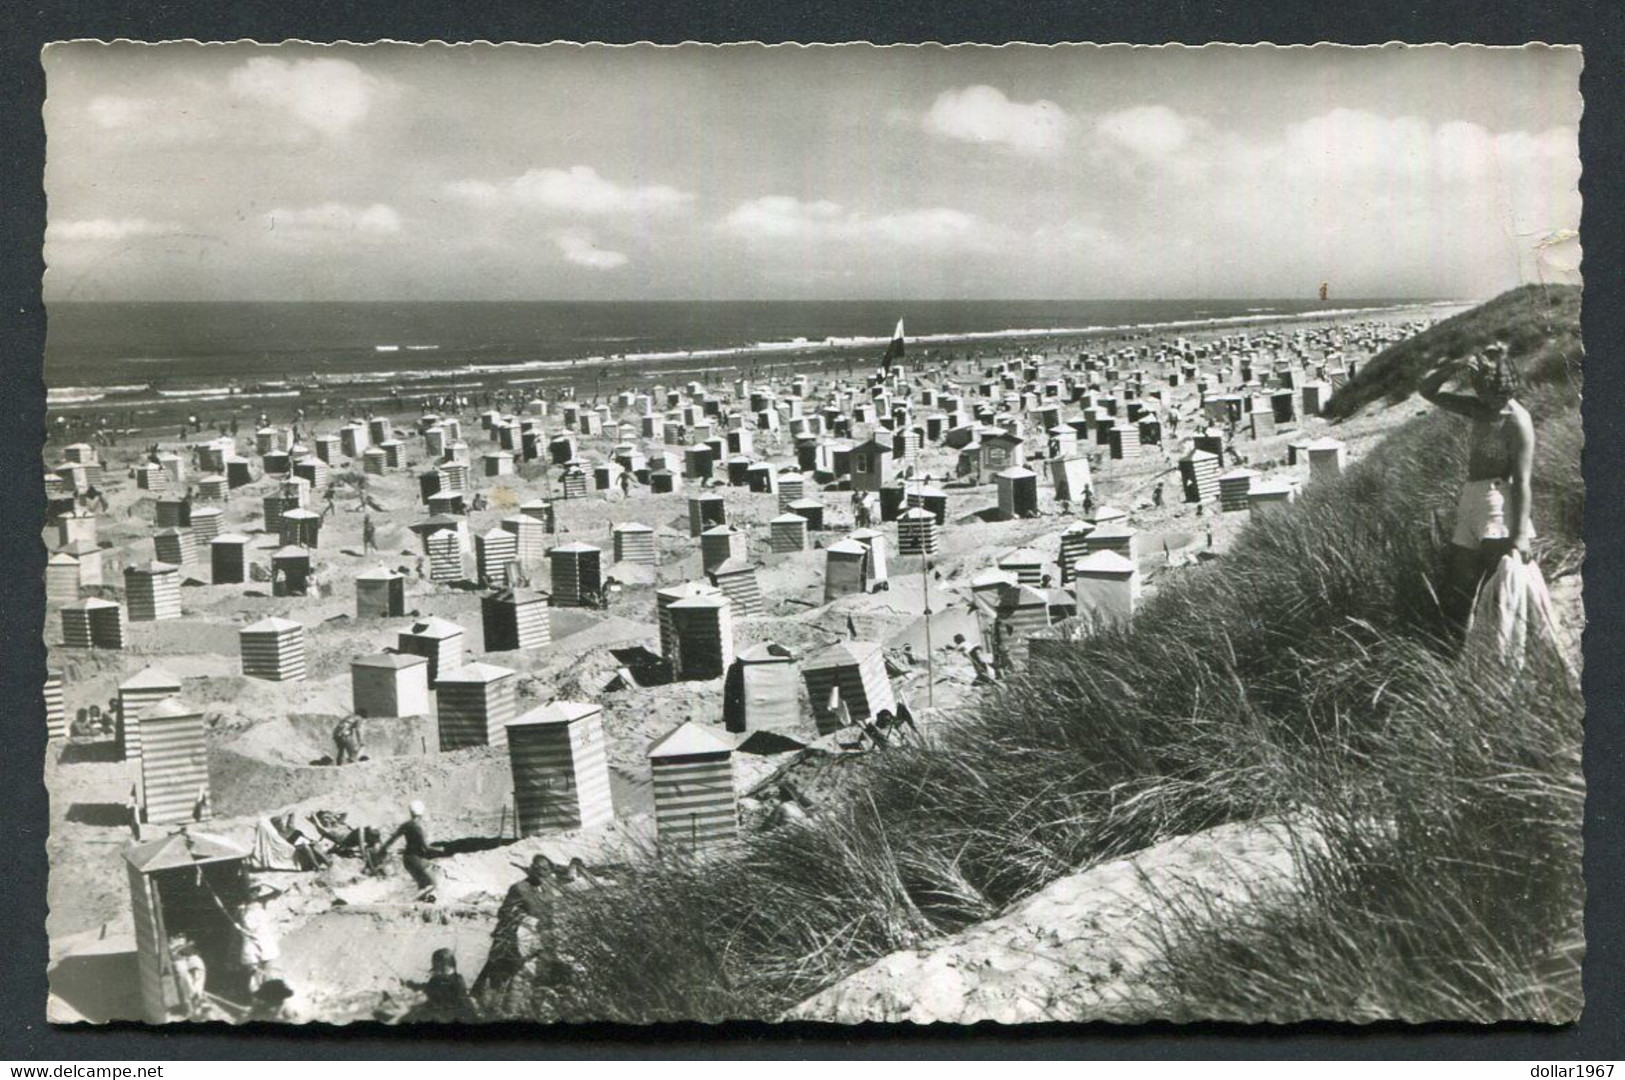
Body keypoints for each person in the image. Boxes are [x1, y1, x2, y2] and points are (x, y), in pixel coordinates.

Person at [1419, 343, 1536, 626]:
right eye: (1485, 393)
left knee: (1496, 589)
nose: (1493, 401)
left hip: (1497, 504)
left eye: (1499, 394)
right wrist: (1455, 364)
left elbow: (1522, 480)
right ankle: (1459, 654)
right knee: (1458, 588)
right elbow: (1426, 391)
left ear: (1510, 388)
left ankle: (1497, 659)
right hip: (1471, 500)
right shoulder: (1478, 407)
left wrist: (1520, 534)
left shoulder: (1518, 421)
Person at [472, 854, 560, 1006]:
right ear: (531, 869)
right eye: (537, 868)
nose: (541, 872)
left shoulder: (548, 888)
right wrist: (524, 920)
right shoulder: (519, 888)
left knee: (537, 973)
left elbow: (549, 913)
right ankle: (484, 1003)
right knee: (499, 973)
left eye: (545, 869)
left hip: (542, 937)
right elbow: (504, 912)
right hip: (517, 938)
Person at [379, 800, 444, 900]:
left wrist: (382, 850)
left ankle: (418, 903)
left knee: (422, 885)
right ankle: (407, 902)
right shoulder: (418, 828)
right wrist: (441, 849)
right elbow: (426, 847)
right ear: (422, 813)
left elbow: (391, 839)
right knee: (432, 884)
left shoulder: (406, 825)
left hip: (407, 859)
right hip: (416, 860)